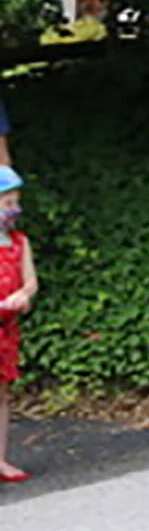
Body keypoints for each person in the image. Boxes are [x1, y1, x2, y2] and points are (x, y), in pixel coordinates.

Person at [0, 166, 36, 484]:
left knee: (2, 394)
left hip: (6, 331)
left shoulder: (19, 243)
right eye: (7, 202)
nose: (14, 210)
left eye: (15, 202)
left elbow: (31, 283)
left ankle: (0, 458)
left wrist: (21, 295)